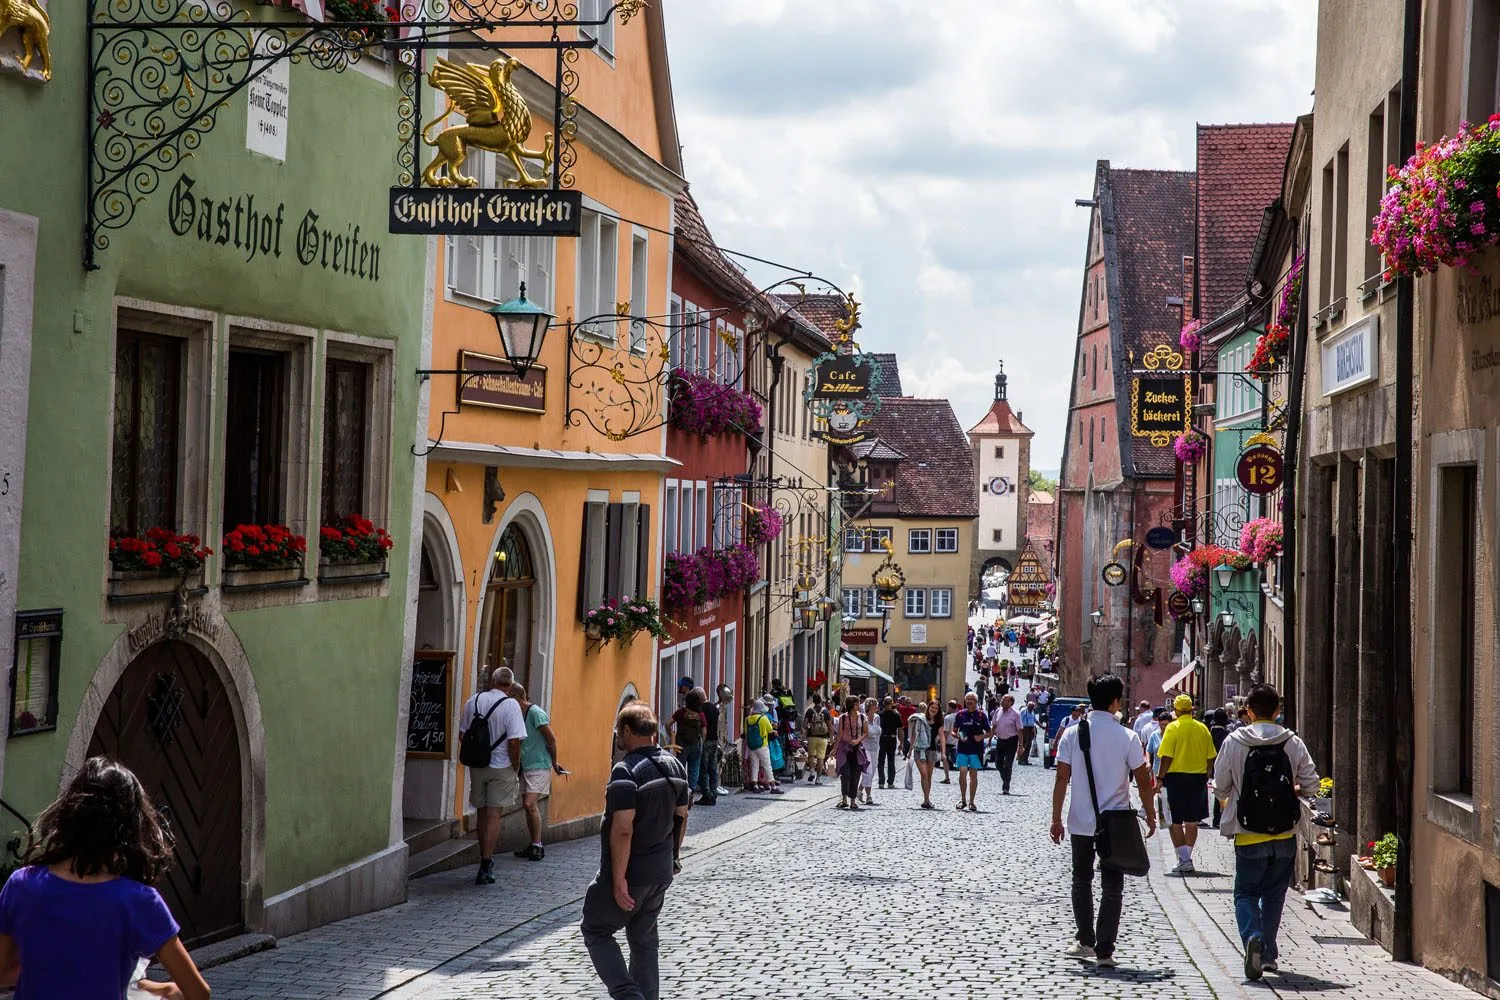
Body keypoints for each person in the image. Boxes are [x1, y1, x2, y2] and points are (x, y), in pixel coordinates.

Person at [0, 757, 211, 1000]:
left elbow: (3, 972)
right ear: (130, 826)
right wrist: (166, 989)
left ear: (69, 813)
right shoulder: (139, 901)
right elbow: (198, 992)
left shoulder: (21, 885)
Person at [581, 702, 691, 1000]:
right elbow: (681, 814)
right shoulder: (675, 766)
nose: (618, 736)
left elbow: (623, 828)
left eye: (619, 731)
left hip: (631, 872)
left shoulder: (625, 771)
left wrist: (617, 879)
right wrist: (674, 856)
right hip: (660, 871)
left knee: (595, 928)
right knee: (643, 939)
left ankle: (628, 995)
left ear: (627, 731)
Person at [1049, 674, 1156, 970]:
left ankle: (1085, 940)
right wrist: (1150, 813)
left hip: (1082, 820)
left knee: (1081, 879)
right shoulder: (1128, 736)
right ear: (1115, 702)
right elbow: (1144, 780)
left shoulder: (1073, 733)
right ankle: (1105, 949)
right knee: (1113, 886)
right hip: (1117, 823)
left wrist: (1056, 817)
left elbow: (1061, 778)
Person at [1214, 683, 1318, 980]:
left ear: (1247, 710)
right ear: (1278, 711)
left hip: (1248, 833)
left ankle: (1252, 937)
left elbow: (1220, 786)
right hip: (1285, 834)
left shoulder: (1234, 741)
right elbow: (1311, 785)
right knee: (1274, 895)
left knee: (1245, 893)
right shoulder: (1292, 742)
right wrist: (1290, 788)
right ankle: (1269, 955)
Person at [460, 667, 526, 885]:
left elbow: (463, 734)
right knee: (494, 814)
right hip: (502, 765)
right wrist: (515, 767)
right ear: (510, 685)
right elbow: (514, 741)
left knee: (481, 812)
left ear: (492, 681)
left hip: (478, 765)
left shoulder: (474, 701)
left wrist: (478, 752)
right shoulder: (511, 705)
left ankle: (482, 857)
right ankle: (486, 864)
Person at [1156, 694, 1217, 874]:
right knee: (1192, 821)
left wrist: (1160, 778)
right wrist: (1206, 773)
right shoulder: (1202, 728)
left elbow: (1166, 756)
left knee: (1174, 820)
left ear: (1175, 711)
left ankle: (1184, 859)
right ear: (1192, 710)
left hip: (1175, 778)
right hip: (1197, 778)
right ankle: (1186, 857)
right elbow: (1211, 756)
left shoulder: (1172, 728)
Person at [511, 684, 566, 862]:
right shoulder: (517, 714)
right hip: (526, 765)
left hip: (540, 764)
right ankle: (533, 843)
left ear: (518, 697)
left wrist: (555, 763)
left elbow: (551, 739)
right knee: (528, 807)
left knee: (528, 804)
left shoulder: (535, 713)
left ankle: (538, 845)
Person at [667, 689, 708, 804]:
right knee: (694, 769)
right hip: (696, 744)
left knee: (680, 767)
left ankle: (680, 792)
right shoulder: (700, 714)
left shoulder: (681, 712)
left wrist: (671, 734)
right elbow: (704, 732)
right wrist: (701, 742)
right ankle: (691, 794)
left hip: (682, 744)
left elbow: (668, 723)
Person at [952, 693, 991, 812]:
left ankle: (972, 801)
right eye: (967, 699)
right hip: (963, 748)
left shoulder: (981, 715)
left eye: (972, 700)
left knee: (973, 775)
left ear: (976, 702)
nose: (969, 701)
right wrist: (958, 736)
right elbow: (954, 731)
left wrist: (981, 737)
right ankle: (963, 799)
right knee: (962, 772)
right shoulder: (960, 714)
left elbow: (989, 732)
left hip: (976, 750)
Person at [906, 701, 944, 809]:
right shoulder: (920, 719)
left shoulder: (938, 722)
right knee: (924, 774)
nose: (934, 710)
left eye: (936, 708)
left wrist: (943, 753)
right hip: (919, 749)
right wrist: (909, 751)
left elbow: (942, 738)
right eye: (932, 707)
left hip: (931, 750)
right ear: (928, 708)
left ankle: (926, 799)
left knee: (929, 776)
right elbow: (914, 735)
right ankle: (926, 799)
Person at [835, 695, 868, 810]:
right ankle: (844, 799)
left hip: (857, 749)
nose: (858, 706)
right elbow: (839, 734)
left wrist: (857, 740)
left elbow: (865, 732)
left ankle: (853, 800)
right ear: (851, 705)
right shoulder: (843, 718)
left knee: (855, 775)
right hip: (844, 749)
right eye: (856, 704)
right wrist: (834, 749)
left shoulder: (862, 717)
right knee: (845, 774)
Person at [989, 693, 1024, 795]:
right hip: (1000, 740)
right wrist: (990, 738)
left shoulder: (1016, 714)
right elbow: (994, 726)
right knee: (998, 764)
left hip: (1011, 741)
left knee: (1008, 764)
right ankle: (1006, 779)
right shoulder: (998, 711)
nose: (1001, 700)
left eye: (1004, 699)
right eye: (1002, 699)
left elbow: (1020, 731)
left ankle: (1006, 786)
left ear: (1010, 703)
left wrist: (1020, 746)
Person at [742, 701, 779, 794]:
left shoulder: (747, 719)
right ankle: (773, 787)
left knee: (754, 765)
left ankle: (754, 785)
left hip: (751, 746)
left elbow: (746, 734)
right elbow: (770, 730)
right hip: (762, 745)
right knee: (767, 766)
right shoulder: (763, 718)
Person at [694, 686, 721, 806]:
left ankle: (707, 795)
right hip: (715, 741)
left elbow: (701, 728)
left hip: (706, 741)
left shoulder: (701, 709)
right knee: (713, 769)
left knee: (703, 769)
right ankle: (713, 792)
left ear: (698, 698)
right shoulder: (714, 708)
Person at [1207, 708, 1231, 828]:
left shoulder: (1208, 734)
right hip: (1225, 766)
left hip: (1210, 767)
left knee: (1217, 792)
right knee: (1224, 793)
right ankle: (1221, 817)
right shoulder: (1228, 736)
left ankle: (1216, 818)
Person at [803, 694, 832, 786]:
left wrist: (809, 729)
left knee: (811, 755)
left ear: (813, 701)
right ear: (821, 701)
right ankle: (818, 779)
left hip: (812, 737)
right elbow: (829, 726)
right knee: (821, 758)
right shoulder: (826, 711)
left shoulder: (809, 711)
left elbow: (804, 725)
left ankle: (812, 771)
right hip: (823, 737)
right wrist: (831, 736)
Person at [859, 698, 882, 805]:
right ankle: (869, 795)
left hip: (875, 749)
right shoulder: (863, 718)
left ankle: (859, 790)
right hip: (865, 748)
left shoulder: (877, 718)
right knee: (867, 772)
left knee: (872, 773)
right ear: (870, 707)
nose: (877, 707)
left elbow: (878, 731)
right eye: (875, 705)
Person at [877, 696, 902, 790]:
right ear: (892, 703)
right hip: (892, 739)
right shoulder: (896, 715)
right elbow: (900, 730)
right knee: (891, 761)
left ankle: (881, 782)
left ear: (883, 704)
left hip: (882, 739)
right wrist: (901, 742)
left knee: (881, 761)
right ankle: (890, 782)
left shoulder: (879, 715)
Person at [941, 699, 959, 784]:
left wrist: (942, 742)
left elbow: (946, 731)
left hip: (948, 742)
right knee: (958, 761)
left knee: (945, 760)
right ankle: (962, 777)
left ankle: (947, 778)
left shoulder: (948, 718)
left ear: (950, 707)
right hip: (958, 741)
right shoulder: (960, 716)